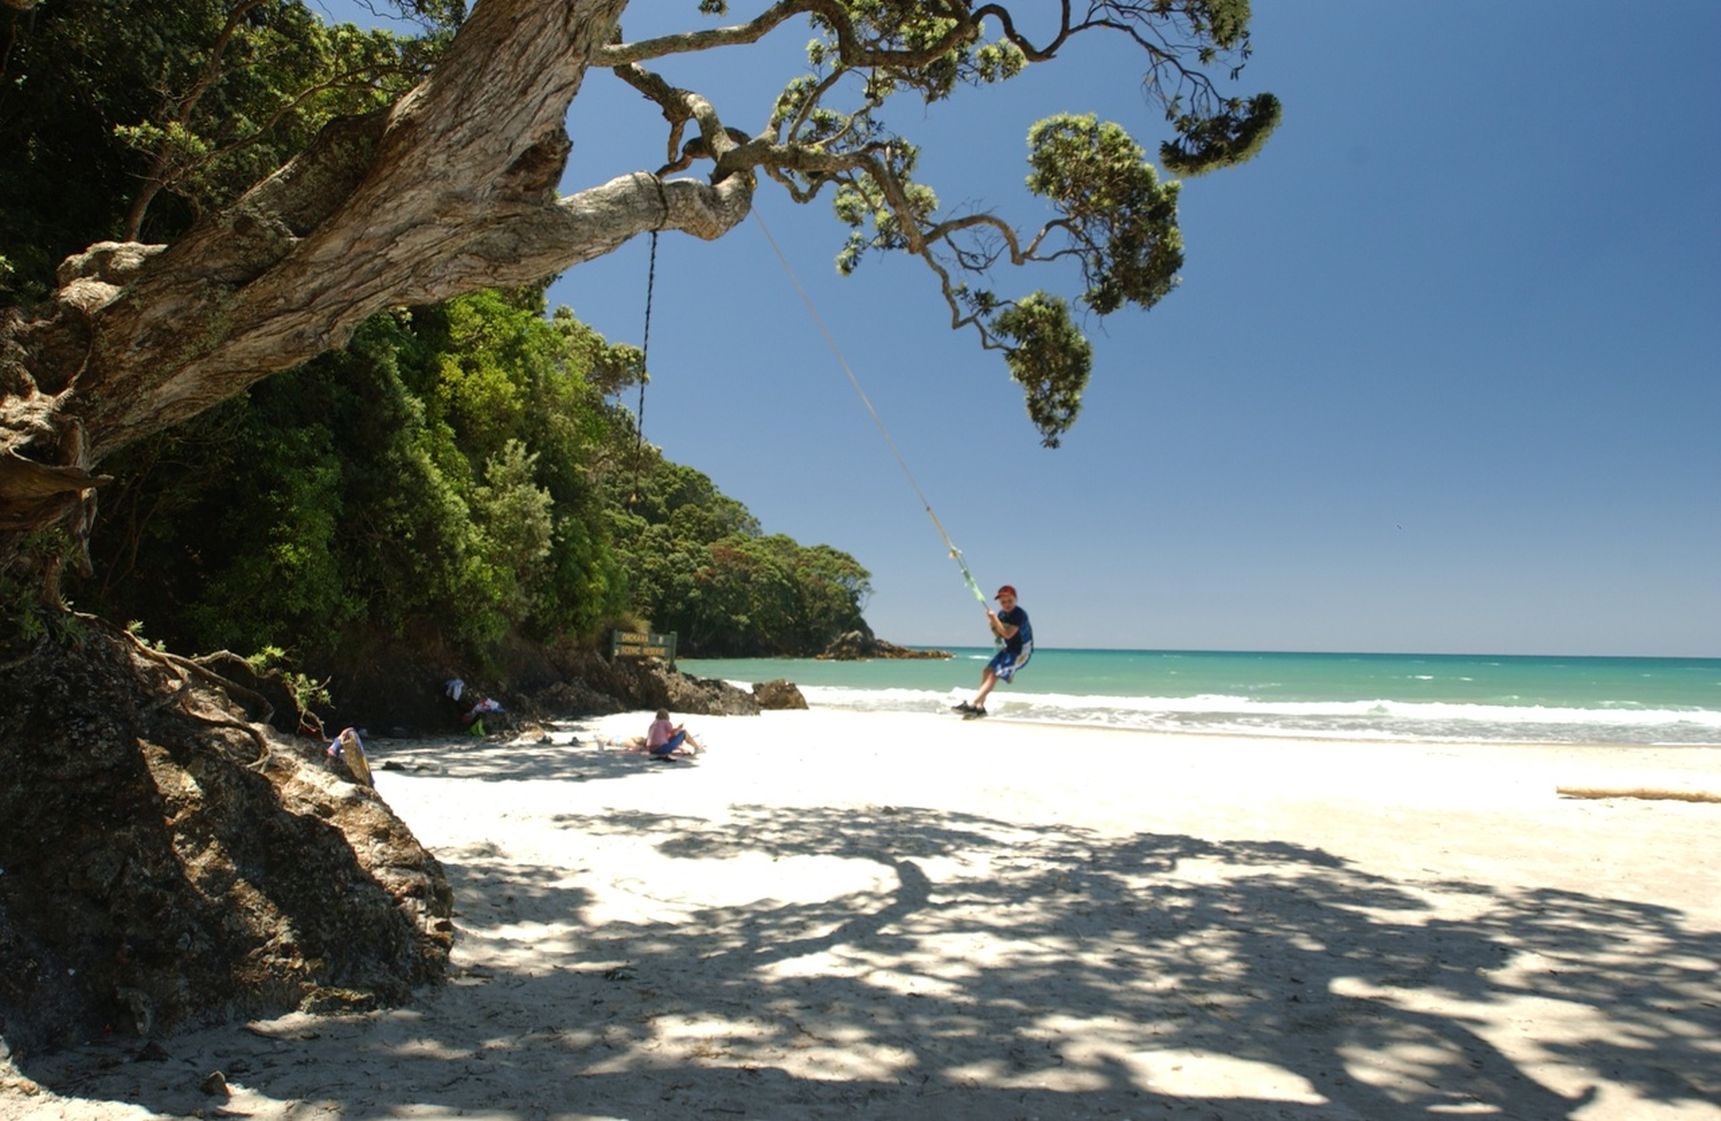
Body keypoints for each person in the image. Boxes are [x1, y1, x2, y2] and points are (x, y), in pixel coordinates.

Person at [954, 585, 1033, 719]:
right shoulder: (1002, 614)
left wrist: (995, 619)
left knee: (994, 675)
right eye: (1003, 602)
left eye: (1010, 601)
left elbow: (1007, 634)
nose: (1006, 604)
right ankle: (980, 708)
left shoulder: (1019, 614)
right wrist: (991, 621)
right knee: (987, 671)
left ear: (1016, 599)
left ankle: (972, 703)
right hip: (1009, 650)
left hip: (1021, 652)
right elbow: (999, 634)